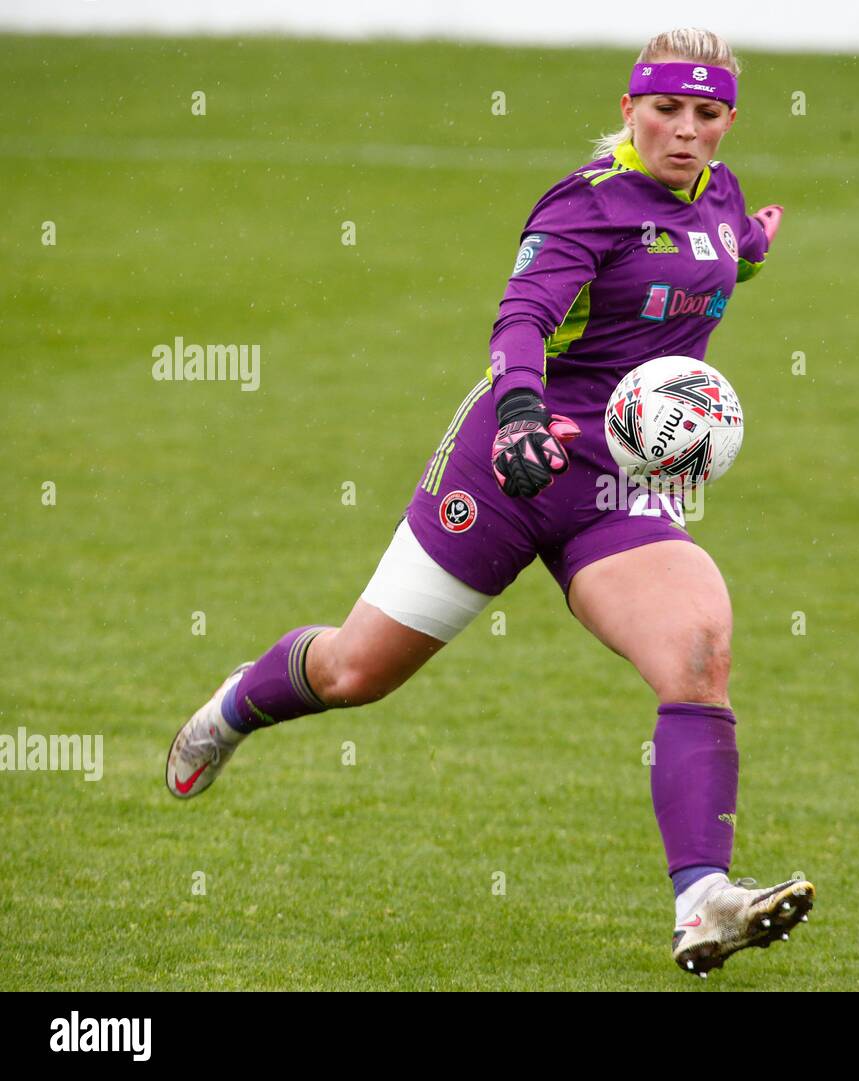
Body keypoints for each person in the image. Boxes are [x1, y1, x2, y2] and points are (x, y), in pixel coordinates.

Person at [166, 26, 814, 978]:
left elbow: (713, 262)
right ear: (629, 107)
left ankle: (702, 899)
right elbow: (523, 321)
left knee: (698, 651)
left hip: (618, 488)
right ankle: (232, 707)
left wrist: (750, 247)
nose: (683, 130)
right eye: (665, 109)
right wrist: (516, 416)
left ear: (728, 121)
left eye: (706, 114)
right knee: (357, 673)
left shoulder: (715, 197)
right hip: (506, 468)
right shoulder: (582, 208)